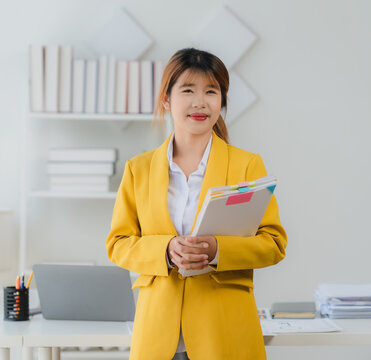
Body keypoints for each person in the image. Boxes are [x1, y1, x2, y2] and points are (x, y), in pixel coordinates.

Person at [106, 48, 287, 360]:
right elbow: (118, 243)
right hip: (158, 336)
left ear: (222, 101)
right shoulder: (139, 169)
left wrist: (216, 250)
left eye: (211, 91)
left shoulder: (246, 165)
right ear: (167, 99)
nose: (200, 102)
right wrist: (166, 249)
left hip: (224, 333)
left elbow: (273, 244)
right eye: (188, 90)